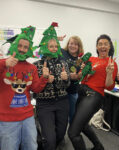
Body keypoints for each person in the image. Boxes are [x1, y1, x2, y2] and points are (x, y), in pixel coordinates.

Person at [0, 26, 49, 150]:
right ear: (15, 45)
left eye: (25, 47)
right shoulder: (4, 63)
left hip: (27, 116)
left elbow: (36, 89)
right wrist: (4, 63)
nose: (22, 49)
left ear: (29, 49)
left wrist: (44, 78)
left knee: (31, 146)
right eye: (20, 46)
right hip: (7, 118)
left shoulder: (31, 68)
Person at [68, 34, 118, 150]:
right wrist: (83, 70)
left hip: (93, 96)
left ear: (109, 46)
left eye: (105, 44)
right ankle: (98, 146)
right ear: (96, 46)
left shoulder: (111, 63)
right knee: (83, 125)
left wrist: (109, 73)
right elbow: (80, 76)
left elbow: (109, 87)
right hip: (81, 92)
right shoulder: (91, 59)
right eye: (100, 44)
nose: (102, 46)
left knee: (73, 133)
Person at [33, 22, 70, 150]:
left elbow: (68, 84)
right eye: (51, 46)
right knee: (50, 139)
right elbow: (34, 88)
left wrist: (66, 79)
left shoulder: (63, 63)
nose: (54, 48)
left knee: (60, 135)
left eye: (56, 46)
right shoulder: (36, 64)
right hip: (44, 104)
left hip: (62, 102)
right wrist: (44, 79)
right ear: (45, 47)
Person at [61, 36, 84, 123]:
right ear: (68, 44)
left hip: (73, 91)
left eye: (76, 44)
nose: (73, 46)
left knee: (73, 115)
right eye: (71, 43)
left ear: (79, 46)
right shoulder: (62, 52)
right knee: (61, 116)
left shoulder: (80, 60)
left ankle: (72, 135)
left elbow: (81, 76)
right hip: (60, 91)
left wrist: (77, 76)